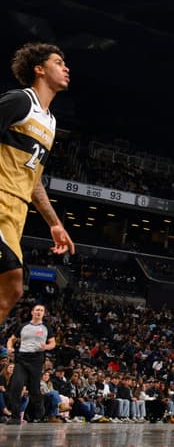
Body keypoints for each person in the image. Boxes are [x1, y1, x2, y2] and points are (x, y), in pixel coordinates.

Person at [0, 43, 74, 321]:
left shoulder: (51, 124)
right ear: (39, 70)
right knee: (13, 282)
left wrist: (54, 223)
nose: (66, 67)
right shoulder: (20, 101)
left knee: (11, 291)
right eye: (58, 62)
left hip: (16, 214)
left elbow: (34, 181)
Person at [6, 303, 57, 423]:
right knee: (16, 386)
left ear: (43, 314)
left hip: (36, 360)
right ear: (32, 312)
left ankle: (40, 408)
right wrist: (10, 347)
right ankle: (15, 417)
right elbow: (11, 339)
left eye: (41, 310)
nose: (39, 312)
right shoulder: (23, 326)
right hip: (22, 359)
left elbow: (53, 343)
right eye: (37, 310)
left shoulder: (46, 327)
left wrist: (47, 346)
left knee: (34, 389)